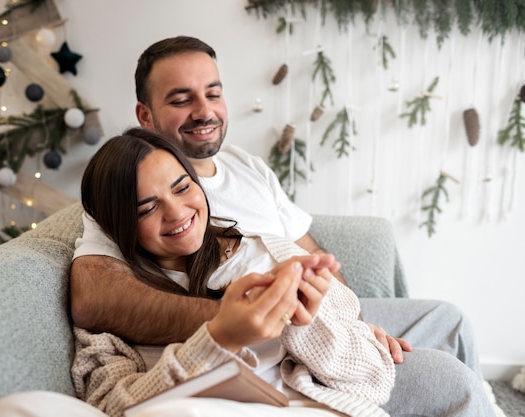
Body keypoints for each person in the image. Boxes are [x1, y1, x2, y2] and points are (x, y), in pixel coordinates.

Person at [70, 36, 494, 416]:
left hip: (311, 321)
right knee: (447, 379)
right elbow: (94, 300)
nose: (204, 111)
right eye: (181, 99)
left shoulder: (246, 168)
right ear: (145, 114)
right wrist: (237, 322)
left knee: (449, 320)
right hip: (255, 339)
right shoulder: (116, 189)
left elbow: (306, 251)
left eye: (213, 93)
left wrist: (349, 318)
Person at [71, 128, 398, 417]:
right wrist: (217, 339)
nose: (176, 212)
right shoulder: (117, 310)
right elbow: (110, 408)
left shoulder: (270, 254)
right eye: (147, 208)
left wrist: (300, 324)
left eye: (183, 188)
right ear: (116, 225)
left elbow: (372, 380)